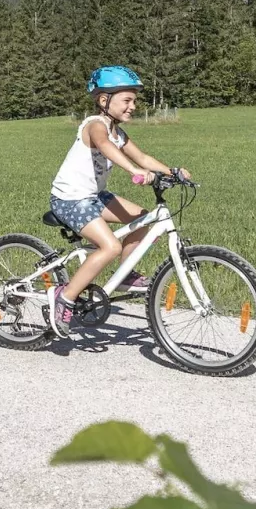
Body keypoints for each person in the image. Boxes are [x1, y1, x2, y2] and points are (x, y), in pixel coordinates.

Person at [46, 66, 189, 337]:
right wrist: (134, 171)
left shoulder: (118, 133)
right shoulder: (94, 125)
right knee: (110, 246)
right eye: (127, 100)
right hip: (70, 199)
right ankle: (64, 298)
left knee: (143, 218)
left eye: (134, 100)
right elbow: (104, 146)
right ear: (104, 100)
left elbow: (143, 157)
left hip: (94, 196)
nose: (133, 106)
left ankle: (125, 274)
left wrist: (173, 172)